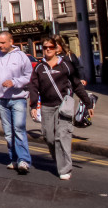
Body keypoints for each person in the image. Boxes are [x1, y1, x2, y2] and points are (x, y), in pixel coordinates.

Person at [29, 36, 94, 180]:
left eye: (50, 47)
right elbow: (33, 87)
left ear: (56, 49)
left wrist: (87, 103)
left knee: (62, 136)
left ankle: (65, 168)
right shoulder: (40, 67)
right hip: (46, 107)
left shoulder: (65, 65)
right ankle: (58, 158)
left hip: (63, 106)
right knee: (49, 137)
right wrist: (33, 105)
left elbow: (77, 85)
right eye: (45, 47)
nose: (47, 50)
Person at [0, 31, 34, 174]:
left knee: (19, 129)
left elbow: (29, 76)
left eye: (3, 43)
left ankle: (24, 161)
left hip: (18, 98)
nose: (0, 45)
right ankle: (14, 159)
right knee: (8, 132)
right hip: (0, 100)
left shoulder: (21, 57)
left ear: (11, 41)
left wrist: (15, 82)